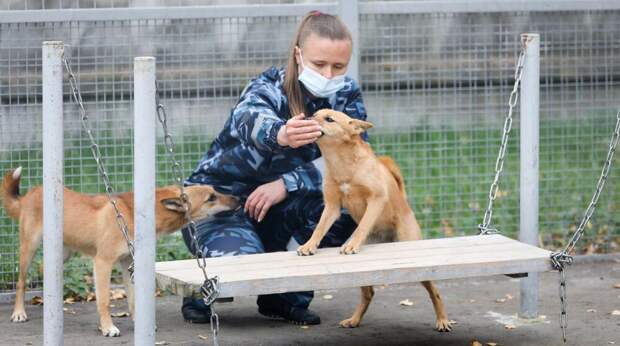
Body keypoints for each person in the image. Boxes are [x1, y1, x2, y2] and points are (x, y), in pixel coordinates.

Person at [180, 10, 370, 325]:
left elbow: (356, 158)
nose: (327, 74)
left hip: (282, 207)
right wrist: (280, 134)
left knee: (348, 210)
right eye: (319, 63)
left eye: (338, 66)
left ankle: (284, 297)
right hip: (221, 207)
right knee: (243, 266)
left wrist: (287, 183)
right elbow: (248, 118)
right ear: (298, 55)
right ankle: (200, 292)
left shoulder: (346, 93)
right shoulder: (268, 86)